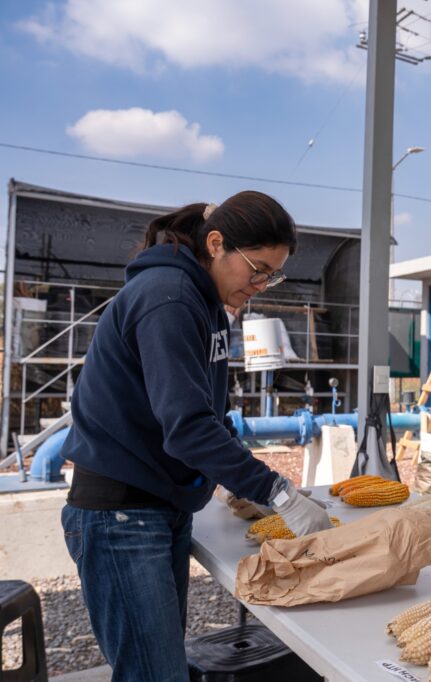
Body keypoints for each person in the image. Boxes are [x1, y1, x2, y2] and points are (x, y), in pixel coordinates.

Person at [59, 192, 333, 681]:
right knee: (154, 674)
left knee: (164, 668)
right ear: (215, 243)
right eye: (257, 269)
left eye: (273, 274)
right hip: (122, 514)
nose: (262, 285)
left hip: (159, 509)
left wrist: (235, 479)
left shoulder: (208, 305)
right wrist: (277, 492)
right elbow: (186, 427)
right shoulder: (169, 297)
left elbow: (207, 414)